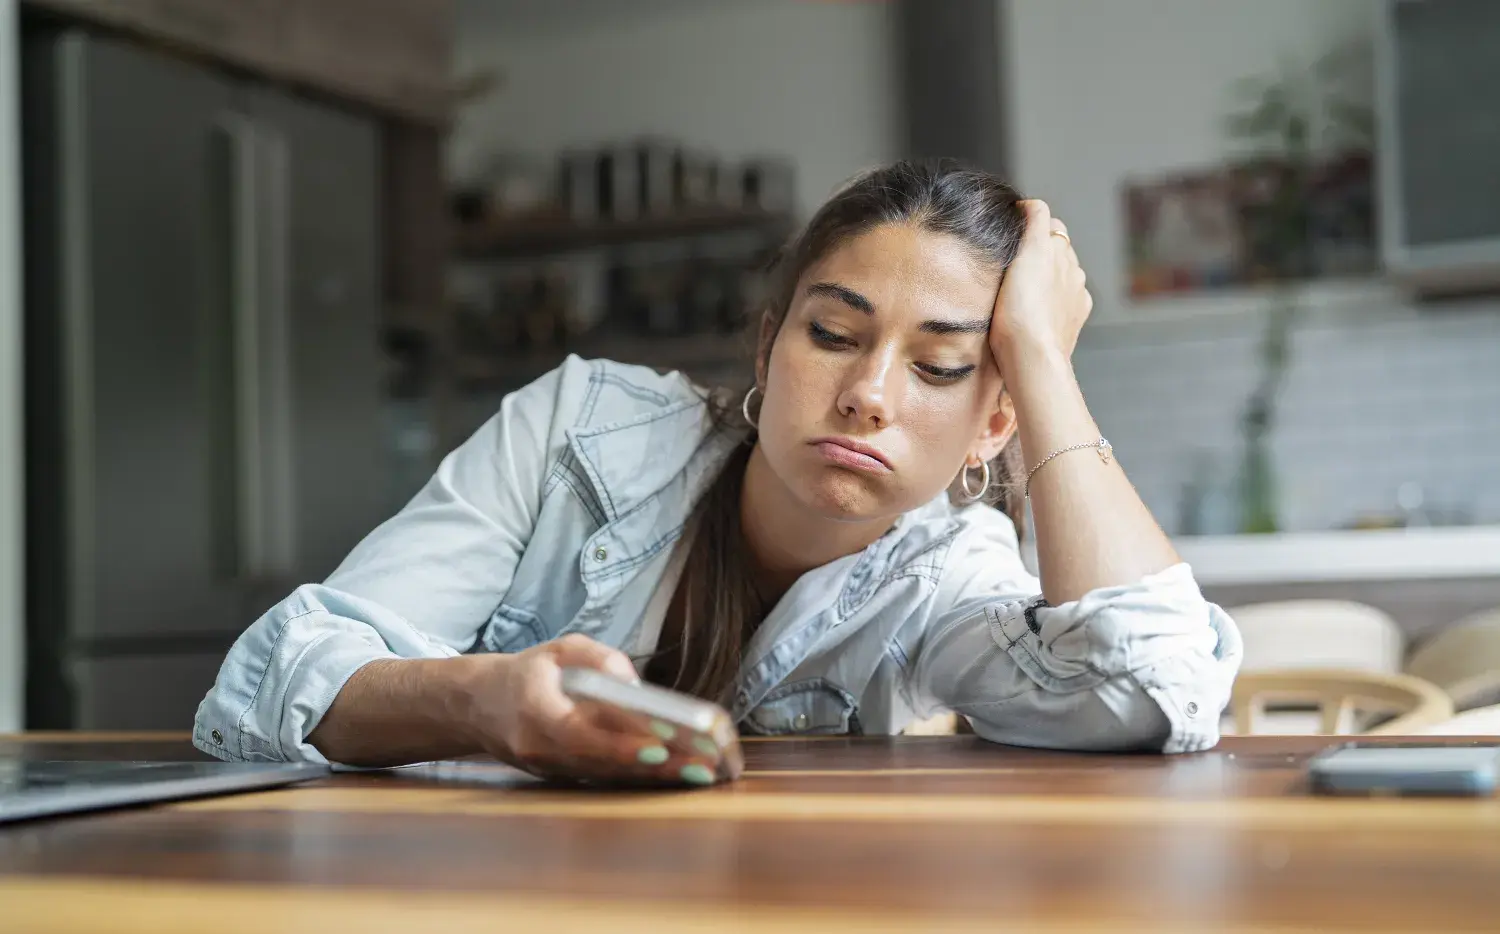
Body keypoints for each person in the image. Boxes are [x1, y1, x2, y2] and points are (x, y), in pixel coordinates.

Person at [194, 160, 1241, 782]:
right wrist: (483, 702)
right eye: (834, 334)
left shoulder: (949, 572)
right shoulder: (579, 428)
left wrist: (1047, 365)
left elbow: (1154, 690)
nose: (870, 392)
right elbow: (270, 681)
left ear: (992, 424)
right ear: (765, 350)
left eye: (940, 366)